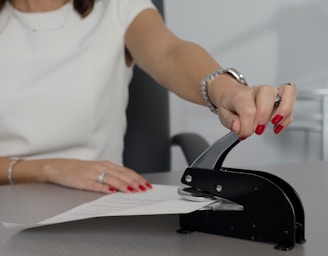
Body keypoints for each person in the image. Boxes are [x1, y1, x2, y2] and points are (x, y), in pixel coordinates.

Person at [0, 0, 296, 194]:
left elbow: (170, 53)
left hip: (97, 201)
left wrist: (228, 90)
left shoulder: (117, 7)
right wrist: (48, 168)